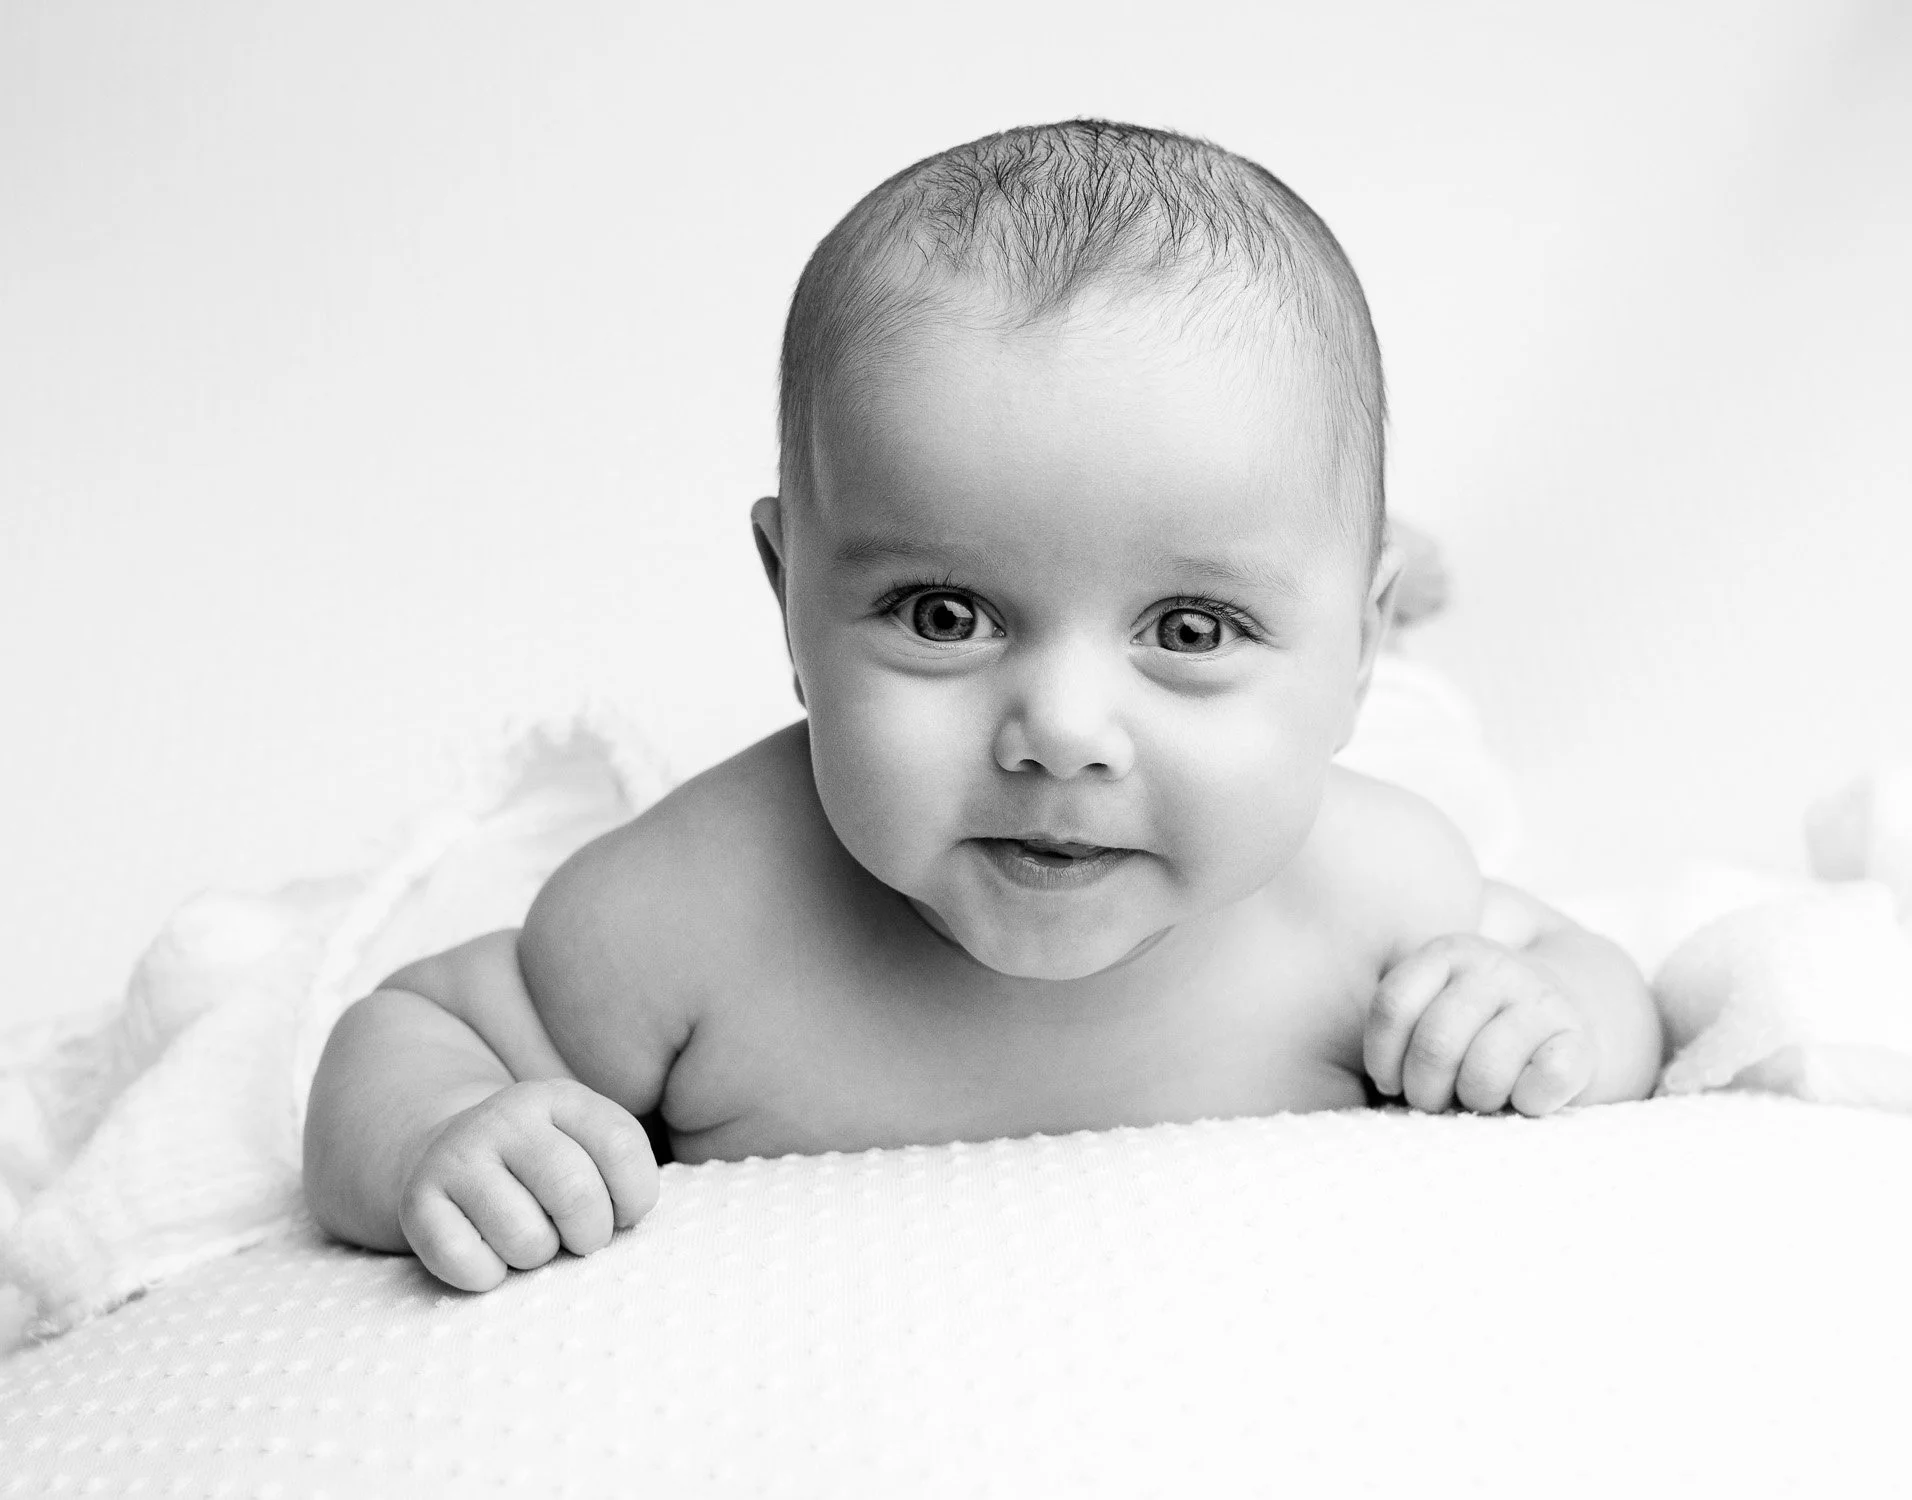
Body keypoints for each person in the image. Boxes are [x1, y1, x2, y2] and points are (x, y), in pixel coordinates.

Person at [303, 119, 1663, 1293]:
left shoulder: (1368, 889)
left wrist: (1542, 1016)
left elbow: (1601, 987)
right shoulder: (693, 913)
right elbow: (419, 1026)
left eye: (1190, 629)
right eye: (946, 615)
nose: (1063, 730)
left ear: (1351, 655)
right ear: (791, 598)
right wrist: (442, 1134)